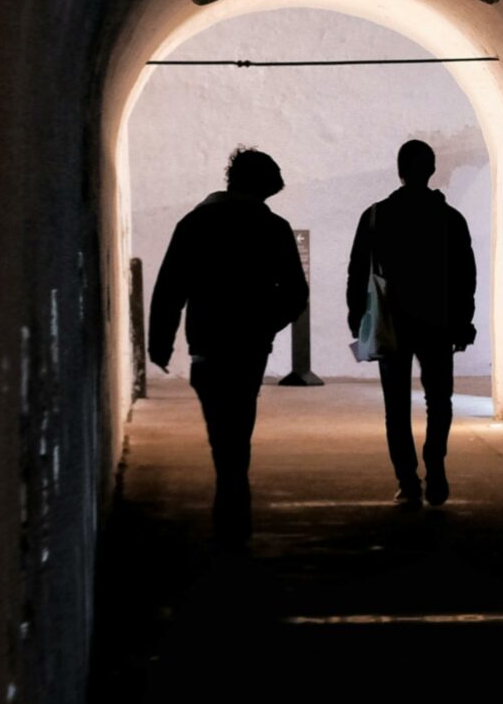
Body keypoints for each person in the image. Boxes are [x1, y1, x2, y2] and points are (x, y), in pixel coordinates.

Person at [148, 146, 309, 546]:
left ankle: (230, 494)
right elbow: (295, 294)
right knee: (240, 419)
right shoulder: (274, 228)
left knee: (221, 426)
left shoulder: (195, 223)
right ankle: (235, 498)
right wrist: (265, 325)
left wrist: (160, 344)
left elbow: (170, 287)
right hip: (250, 345)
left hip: (207, 342)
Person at [346, 139, 478, 508]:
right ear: (432, 170)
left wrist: (357, 318)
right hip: (437, 322)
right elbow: (465, 276)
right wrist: (463, 321)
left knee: (396, 405)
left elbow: (357, 271)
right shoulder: (450, 219)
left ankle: (407, 480)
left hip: (392, 323)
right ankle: (435, 463)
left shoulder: (375, 216)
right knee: (440, 400)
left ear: (399, 171)